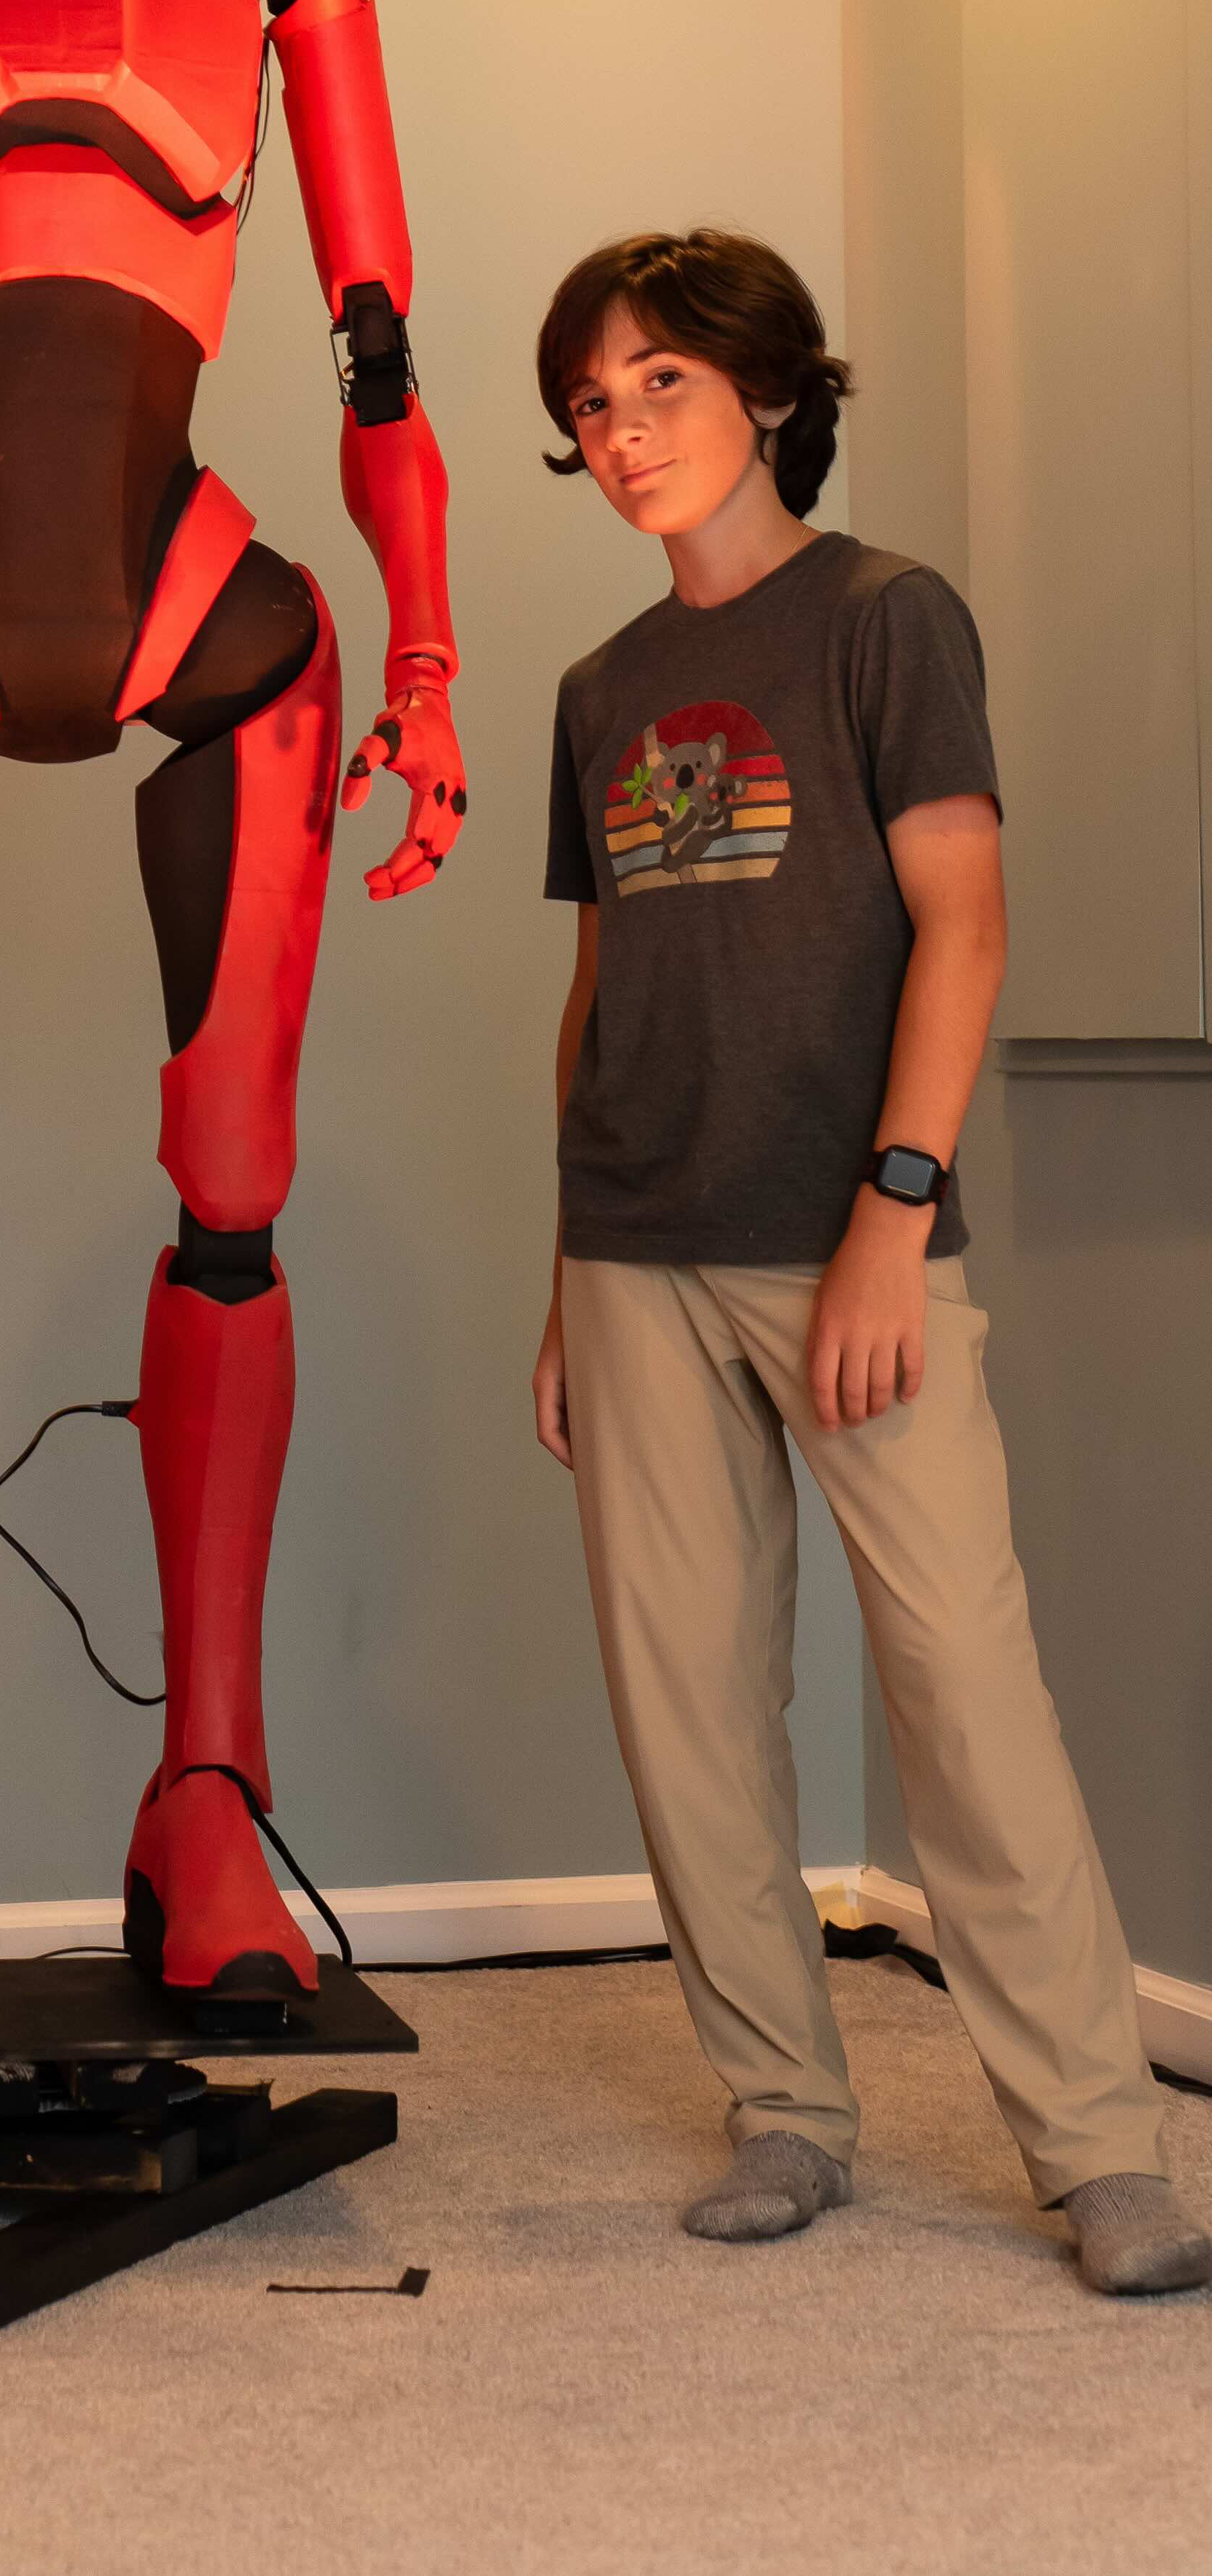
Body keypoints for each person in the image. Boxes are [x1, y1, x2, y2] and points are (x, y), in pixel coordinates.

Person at [528, 227, 1210, 2299]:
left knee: (964, 1688)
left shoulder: (884, 617)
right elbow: (596, 985)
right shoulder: (598, 688)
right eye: (587, 401)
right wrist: (558, 1271)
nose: (621, 427)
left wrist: (890, 1221)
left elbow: (963, 923)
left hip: (846, 1239)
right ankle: (782, 2113)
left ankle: (1098, 2142)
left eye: (656, 381)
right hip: (633, 1245)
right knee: (690, 1713)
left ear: (764, 388)